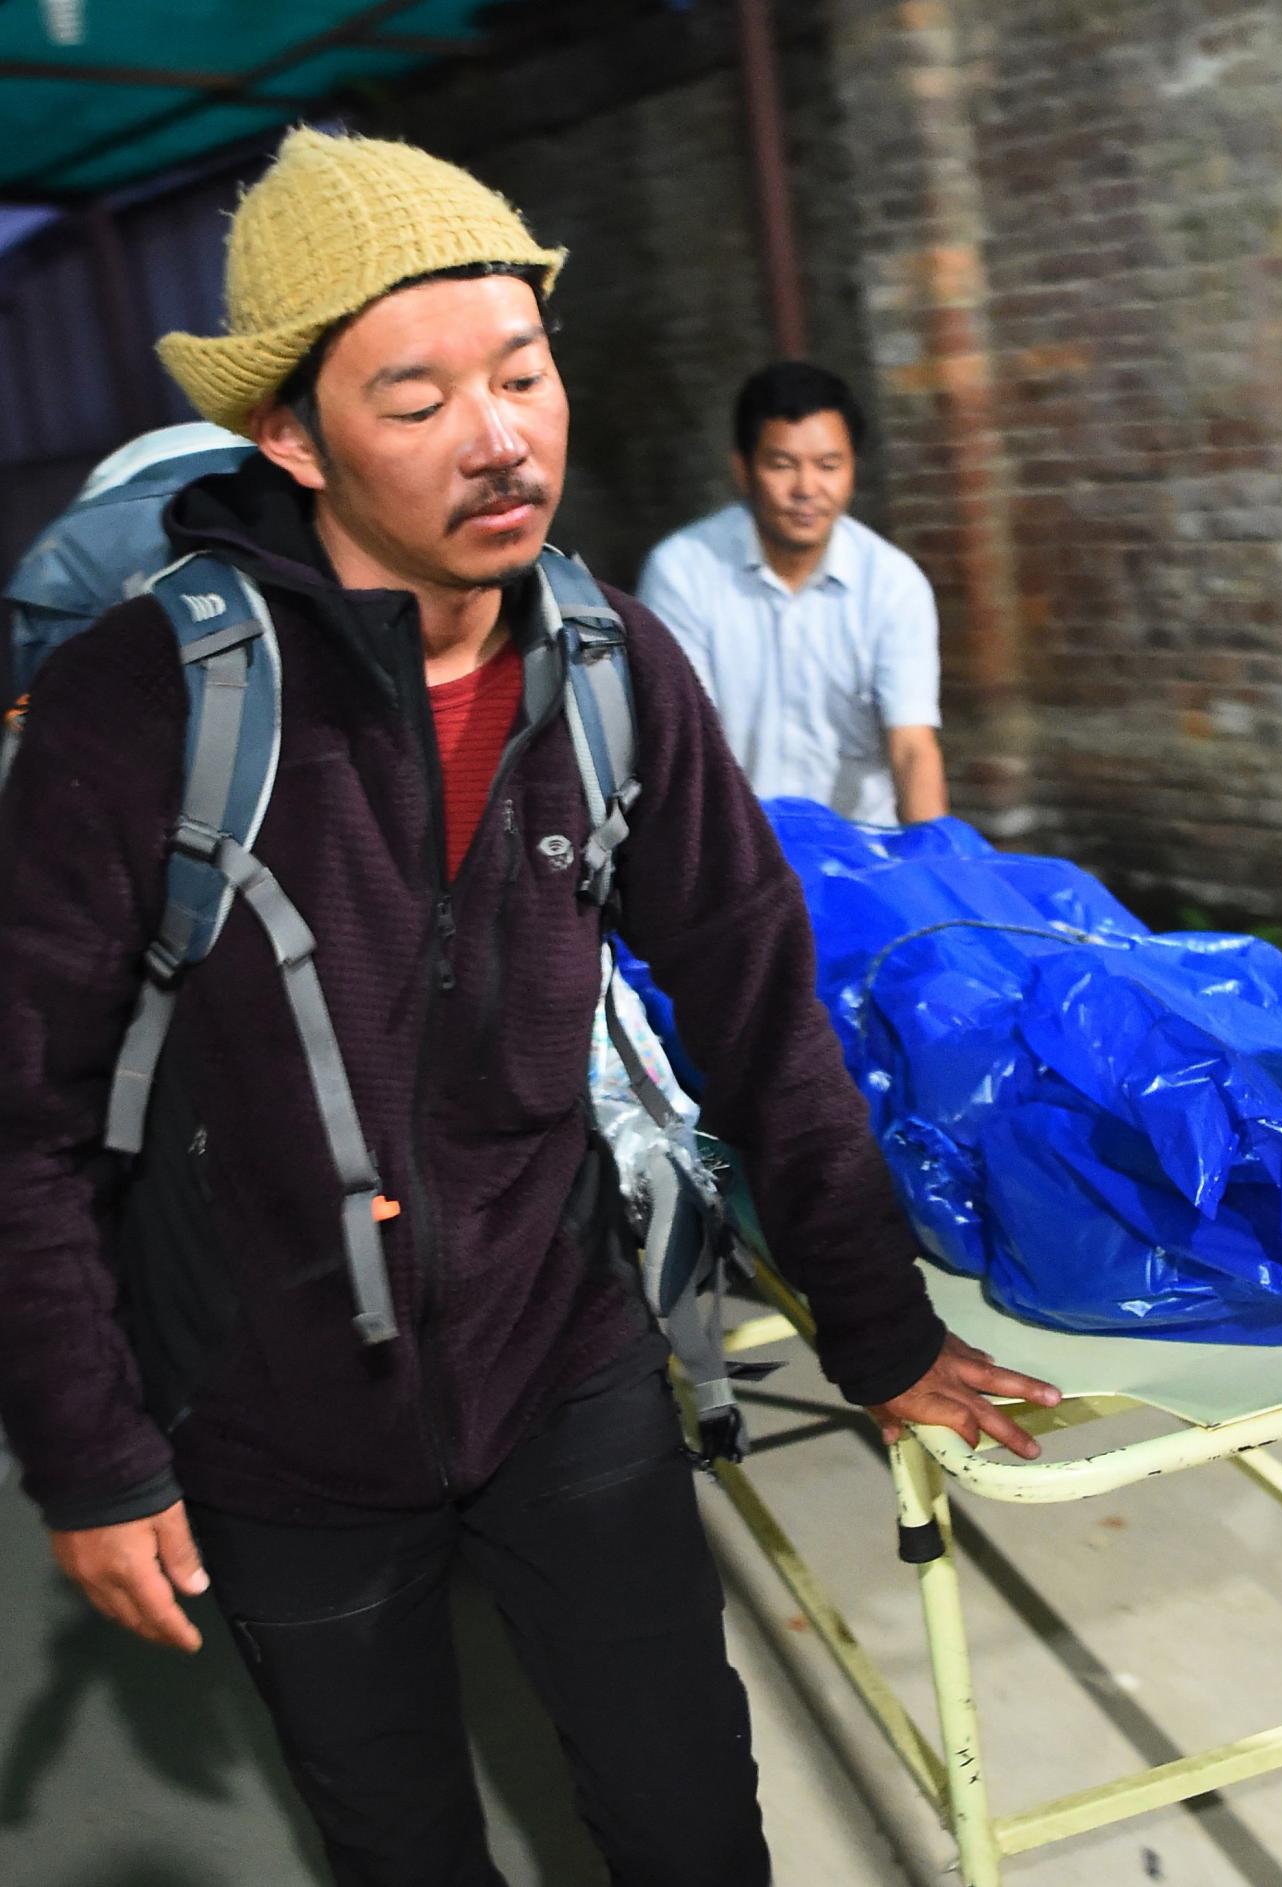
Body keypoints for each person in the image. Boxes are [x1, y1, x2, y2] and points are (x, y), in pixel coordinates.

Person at [0, 127, 1054, 1887]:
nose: (501, 435)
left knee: (693, 1823)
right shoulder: (142, 710)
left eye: (524, 372)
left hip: (563, 1364)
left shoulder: (609, 667)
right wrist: (92, 1456)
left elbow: (758, 1002)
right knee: (402, 1842)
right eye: (415, 397)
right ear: (291, 434)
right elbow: (23, 1121)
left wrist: (876, 1328)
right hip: (272, 1415)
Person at [638, 362, 948, 825]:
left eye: (828, 465)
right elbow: (683, 745)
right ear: (743, 470)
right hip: (735, 851)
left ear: (852, 471)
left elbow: (912, 748)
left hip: (861, 853)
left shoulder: (893, 584)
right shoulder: (683, 573)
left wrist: (931, 874)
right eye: (782, 465)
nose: (806, 489)